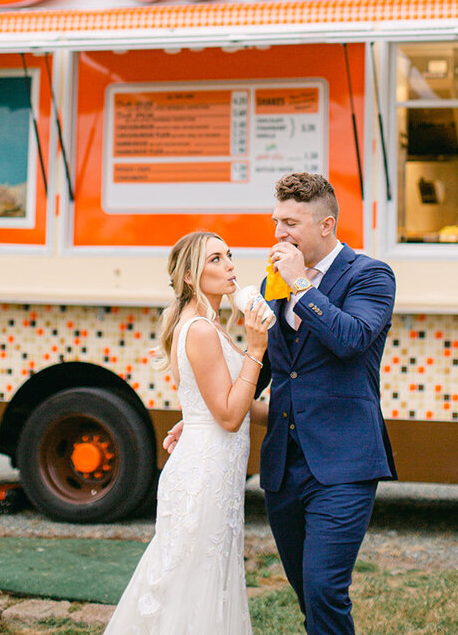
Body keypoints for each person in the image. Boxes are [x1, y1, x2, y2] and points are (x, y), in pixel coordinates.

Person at [104, 230, 270, 635]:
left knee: (205, 582)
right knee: (190, 583)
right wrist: (256, 349)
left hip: (217, 470)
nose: (230, 265)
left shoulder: (213, 326)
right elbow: (229, 416)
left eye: (229, 255)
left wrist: (303, 412)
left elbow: (240, 406)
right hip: (203, 476)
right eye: (215, 259)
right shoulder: (199, 330)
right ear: (191, 277)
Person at [259, 172, 396, 635]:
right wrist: (205, 417)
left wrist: (301, 285)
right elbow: (267, 364)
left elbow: (351, 339)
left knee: (325, 590)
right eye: (277, 222)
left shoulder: (371, 275)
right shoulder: (274, 280)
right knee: (306, 592)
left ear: (326, 225)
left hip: (343, 462)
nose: (279, 233)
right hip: (283, 465)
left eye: (291, 223)